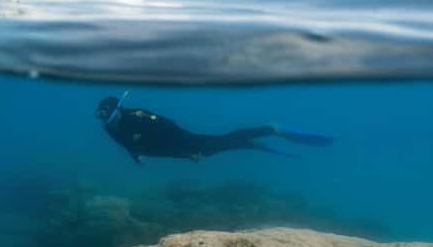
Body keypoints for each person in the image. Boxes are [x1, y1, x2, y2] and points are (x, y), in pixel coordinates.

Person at [95, 95, 334, 164]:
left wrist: (186, 148)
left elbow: (168, 129)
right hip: (181, 150)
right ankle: (254, 142)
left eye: (114, 116)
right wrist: (135, 155)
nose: (111, 122)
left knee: (222, 142)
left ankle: (269, 129)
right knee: (223, 145)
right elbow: (135, 146)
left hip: (185, 141)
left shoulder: (138, 117)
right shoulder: (110, 130)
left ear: (120, 109)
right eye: (107, 120)